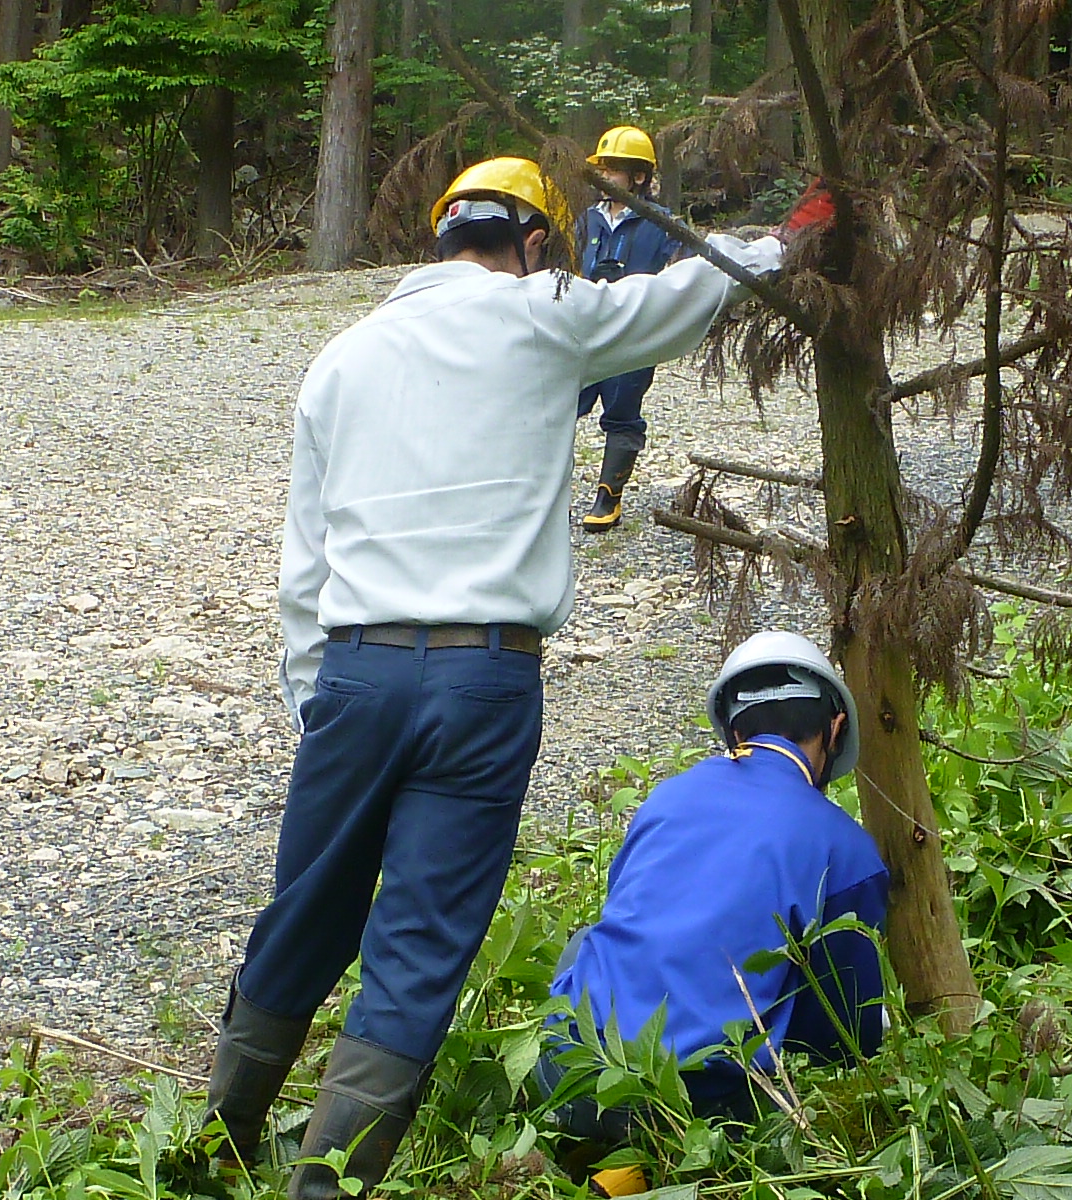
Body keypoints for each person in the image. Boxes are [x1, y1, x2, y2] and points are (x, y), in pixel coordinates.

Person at [199, 158, 820, 1200]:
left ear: (443, 235)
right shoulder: (544, 316)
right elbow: (684, 295)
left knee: (306, 907)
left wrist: (317, 692)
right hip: (486, 677)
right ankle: (326, 1189)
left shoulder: (342, 358)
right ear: (535, 241)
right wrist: (787, 239)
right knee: (422, 937)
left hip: (354, 666)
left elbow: (302, 560)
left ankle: (212, 1141)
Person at [535, 631, 889, 1154]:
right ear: (835, 728)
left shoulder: (665, 798)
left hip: (569, 1073)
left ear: (730, 728)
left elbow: (625, 917)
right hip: (686, 1110)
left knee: (587, 938)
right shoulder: (847, 849)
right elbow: (843, 1033)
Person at [576, 125, 682, 532]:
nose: (602, 177)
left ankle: (608, 495)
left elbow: (684, 273)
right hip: (585, 332)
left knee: (622, 413)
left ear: (638, 177)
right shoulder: (586, 221)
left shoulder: (662, 223)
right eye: (599, 169)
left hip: (634, 337)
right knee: (559, 406)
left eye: (612, 170)